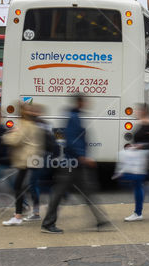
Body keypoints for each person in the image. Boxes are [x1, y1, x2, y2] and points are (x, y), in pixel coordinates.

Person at [41, 95, 110, 233]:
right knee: (60, 193)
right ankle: (48, 224)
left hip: (74, 163)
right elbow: (72, 140)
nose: (88, 103)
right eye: (85, 101)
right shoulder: (73, 117)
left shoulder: (74, 115)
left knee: (85, 191)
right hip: (71, 164)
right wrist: (82, 156)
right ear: (80, 102)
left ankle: (101, 220)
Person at [117, 104, 149, 222]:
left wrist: (139, 146)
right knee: (138, 182)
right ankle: (141, 209)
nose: (137, 111)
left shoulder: (147, 123)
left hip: (142, 157)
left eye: (139, 110)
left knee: (136, 182)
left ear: (144, 111)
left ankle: (138, 212)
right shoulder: (141, 122)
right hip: (138, 156)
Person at [2, 104, 46, 226]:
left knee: (21, 186)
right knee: (28, 185)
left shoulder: (24, 124)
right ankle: (23, 214)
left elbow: (14, 140)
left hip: (27, 159)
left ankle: (19, 215)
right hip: (33, 158)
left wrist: (7, 134)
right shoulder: (34, 123)